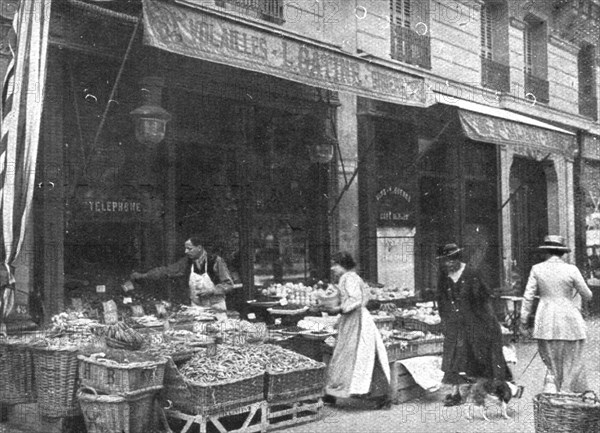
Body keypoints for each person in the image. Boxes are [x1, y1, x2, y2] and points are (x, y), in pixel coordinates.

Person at [435, 243, 513, 407]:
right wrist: (444, 319)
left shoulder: (472, 273)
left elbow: (483, 300)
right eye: (444, 261)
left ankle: (489, 390)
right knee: (453, 355)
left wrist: (486, 324)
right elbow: (441, 299)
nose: (447, 264)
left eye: (450, 260)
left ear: (457, 259)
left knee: (480, 355)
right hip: (454, 322)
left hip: (476, 321)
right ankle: (455, 393)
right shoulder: (444, 275)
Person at [519, 235, 593, 393]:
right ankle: (569, 397)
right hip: (570, 322)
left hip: (545, 322)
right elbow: (587, 294)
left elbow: (528, 297)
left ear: (546, 252)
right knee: (572, 364)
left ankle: (557, 398)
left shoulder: (537, 269)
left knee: (552, 366)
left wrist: (523, 322)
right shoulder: (571, 269)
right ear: (562, 253)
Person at [323, 252, 391, 409]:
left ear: (343, 265)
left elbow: (356, 299)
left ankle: (336, 393)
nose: (333, 268)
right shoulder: (351, 277)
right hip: (354, 319)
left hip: (356, 320)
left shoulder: (349, 278)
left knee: (350, 355)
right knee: (361, 355)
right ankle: (376, 395)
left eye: (336, 265)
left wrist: (340, 308)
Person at [130, 235, 234, 313]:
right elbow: (167, 271)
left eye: (189, 248)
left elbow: (229, 285)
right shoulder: (187, 262)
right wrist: (144, 275)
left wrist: (212, 290)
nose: (186, 251)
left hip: (216, 308)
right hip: (197, 309)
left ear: (199, 247)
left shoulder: (216, 261)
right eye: (185, 248)